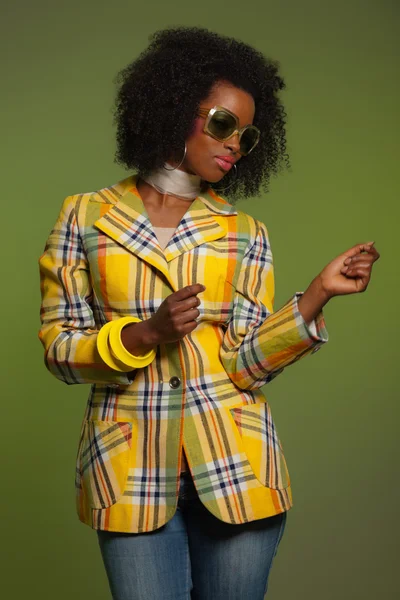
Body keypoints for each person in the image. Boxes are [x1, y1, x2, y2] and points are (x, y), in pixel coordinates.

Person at [38, 26, 380, 600]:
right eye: (223, 123)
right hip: (128, 467)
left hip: (237, 466)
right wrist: (145, 333)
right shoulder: (84, 217)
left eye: (246, 137)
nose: (233, 145)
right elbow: (59, 350)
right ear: (175, 107)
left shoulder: (244, 232)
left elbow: (245, 365)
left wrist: (317, 295)